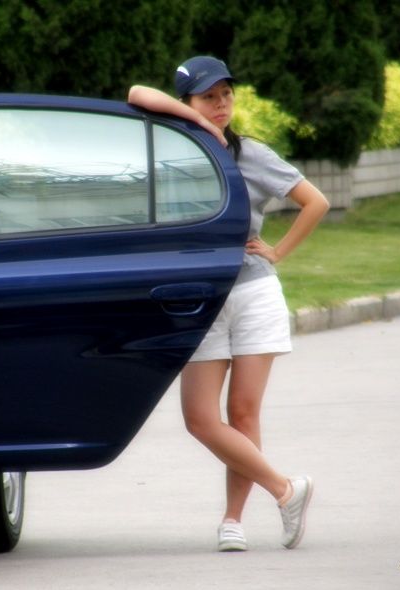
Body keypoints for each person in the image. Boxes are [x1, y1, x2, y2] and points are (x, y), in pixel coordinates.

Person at [129, 56, 330, 552]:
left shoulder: (250, 153)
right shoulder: (171, 146)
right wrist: (199, 125)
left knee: (242, 413)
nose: (221, 105)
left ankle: (233, 521)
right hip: (199, 299)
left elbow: (316, 201)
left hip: (253, 293)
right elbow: (136, 94)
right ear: (187, 102)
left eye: (226, 95)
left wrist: (277, 251)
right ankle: (286, 491)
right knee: (200, 418)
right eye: (208, 97)